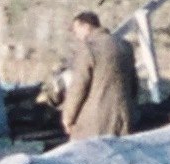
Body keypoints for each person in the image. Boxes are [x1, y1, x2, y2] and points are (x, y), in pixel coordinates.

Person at [60, 7, 140, 140]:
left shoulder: (88, 49)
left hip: (94, 123)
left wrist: (68, 118)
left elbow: (78, 87)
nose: (76, 35)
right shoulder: (125, 46)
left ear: (86, 26)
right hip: (123, 118)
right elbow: (134, 85)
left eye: (76, 30)